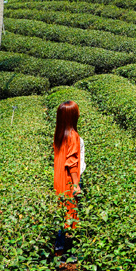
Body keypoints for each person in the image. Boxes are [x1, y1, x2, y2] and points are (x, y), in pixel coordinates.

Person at [53, 100, 83, 255]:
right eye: (77, 111)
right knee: (70, 215)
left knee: (61, 211)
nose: (79, 113)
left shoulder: (59, 134)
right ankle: (68, 253)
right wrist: (76, 185)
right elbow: (72, 162)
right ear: (72, 116)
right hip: (68, 180)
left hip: (58, 179)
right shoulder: (73, 135)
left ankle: (58, 247)